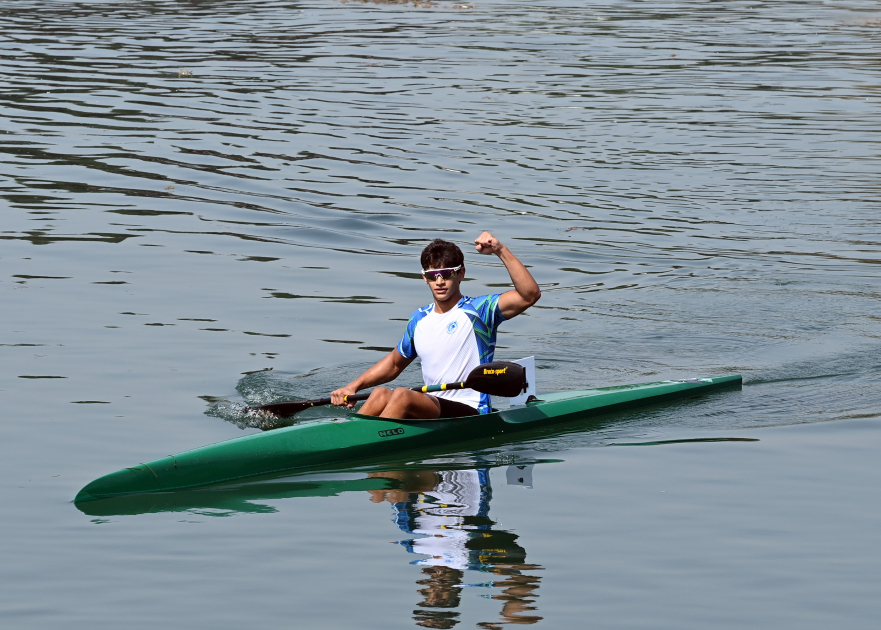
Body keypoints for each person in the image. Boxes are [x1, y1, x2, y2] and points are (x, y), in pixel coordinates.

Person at [330, 231, 540, 419]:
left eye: (447, 273)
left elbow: (529, 294)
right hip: (430, 408)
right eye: (432, 275)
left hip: (471, 411)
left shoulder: (480, 311)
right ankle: (344, 439)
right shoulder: (419, 319)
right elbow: (394, 364)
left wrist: (499, 250)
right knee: (380, 394)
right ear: (425, 279)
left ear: (461, 274)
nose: (439, 281)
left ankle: (365, 444)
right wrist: (353, 386)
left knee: (403, 395)